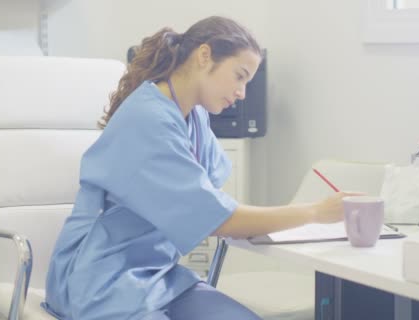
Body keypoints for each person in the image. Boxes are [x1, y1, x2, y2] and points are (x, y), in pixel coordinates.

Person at [44, 16, 357, 320]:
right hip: (101, 281)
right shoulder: (148, 120)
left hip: (159, 276)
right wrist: (316, 212)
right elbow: (219, 218)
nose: (242, 93)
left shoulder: (194, 117)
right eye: (239, 75)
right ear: (204, 56)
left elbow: (213, 203)